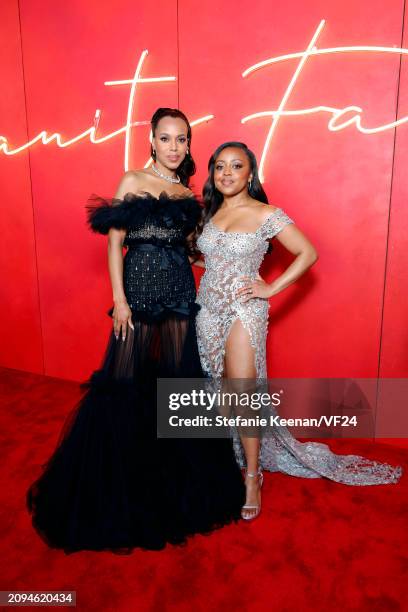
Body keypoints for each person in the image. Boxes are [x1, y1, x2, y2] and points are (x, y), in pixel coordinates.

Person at [26, 110, 245, 554]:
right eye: (165, 138)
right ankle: (121, 480)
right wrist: (120, 300)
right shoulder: (131, 180)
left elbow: (191, 251)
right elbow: (114, 244)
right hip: (139, 295)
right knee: (125, 386)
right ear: (151, 139)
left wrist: (233, 269)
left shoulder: (187, 192)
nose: (174, 147)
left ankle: (179, 482)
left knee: (180, 386)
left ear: (187, 143)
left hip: (180, 291)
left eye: (181, 140)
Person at [194, 141, 403, 521]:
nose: (226, 173)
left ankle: (253, 477)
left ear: (250, 174)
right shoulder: (208, 215)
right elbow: (205, 257)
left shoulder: (266, 213)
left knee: (242, 390)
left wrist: (270, 288)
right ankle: (223, 461)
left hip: (245, 308)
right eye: (219, 166)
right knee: (217, 387)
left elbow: (308, 252)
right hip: (207, 309)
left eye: (235, 166)